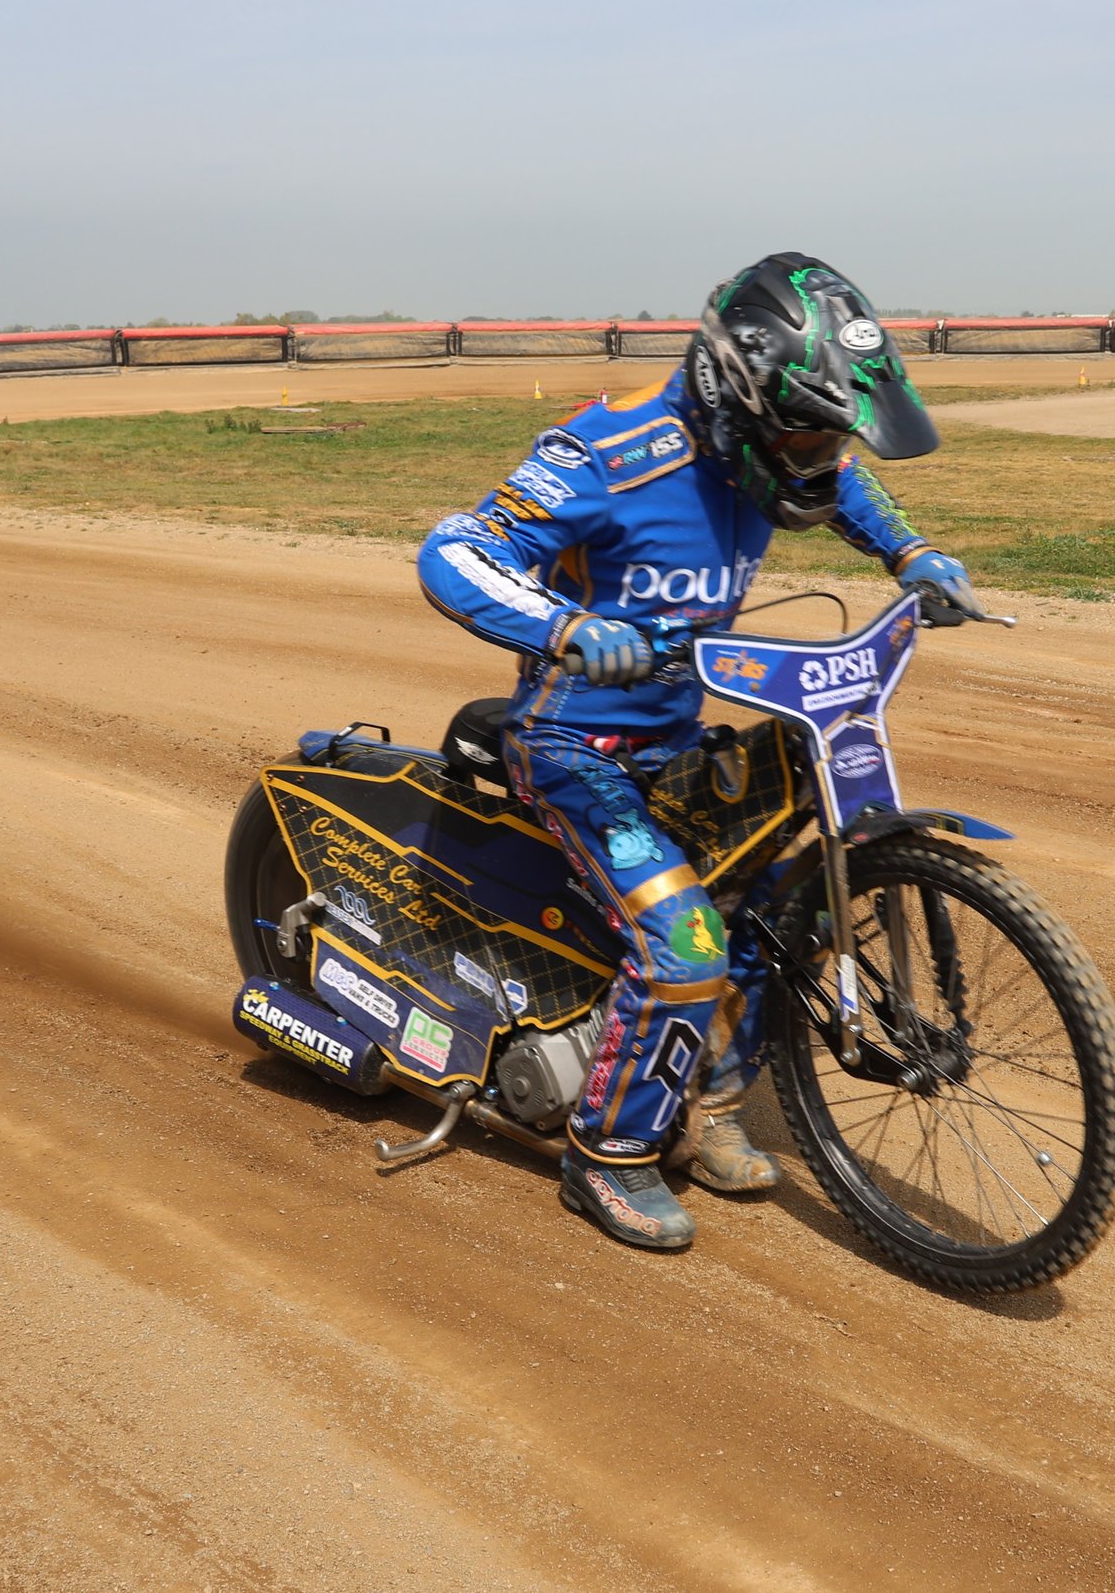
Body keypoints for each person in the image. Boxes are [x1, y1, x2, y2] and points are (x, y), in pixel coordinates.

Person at [414, 252, 975, 1250]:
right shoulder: (608, 452)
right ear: (734, 392)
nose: (817, 451)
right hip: (571, 745)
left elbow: (839, 484)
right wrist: (563, 629)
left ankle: (709, 1106)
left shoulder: (774, 454)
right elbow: (456, 550)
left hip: (673, 738)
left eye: (828, 430)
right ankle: (607, 1157)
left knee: (765, 904)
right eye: (800, 428)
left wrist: (911, 553)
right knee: (685, 943)